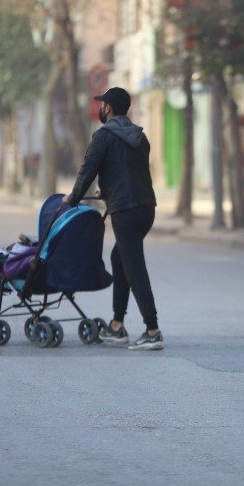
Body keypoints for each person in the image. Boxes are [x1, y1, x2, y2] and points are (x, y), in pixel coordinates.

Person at [63, 87, 163, 351]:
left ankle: (152, 331)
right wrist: (106, 190)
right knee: (120, 258)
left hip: (125, 210)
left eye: (103, 104)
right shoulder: (140, 138)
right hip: (146, 208)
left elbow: (88, 170)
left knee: (134, 268)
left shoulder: (103, 136)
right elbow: (130, 171)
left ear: (107, 108)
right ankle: (117, 326)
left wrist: (72, 198)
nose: (101, 108)